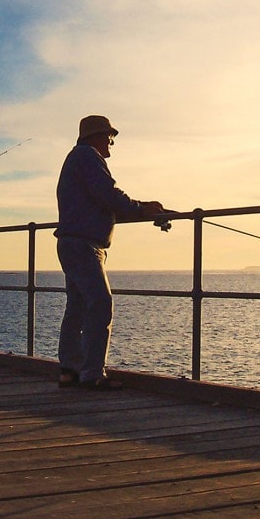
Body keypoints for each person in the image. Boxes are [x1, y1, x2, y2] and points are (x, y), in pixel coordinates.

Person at [55, 115, 168, 391]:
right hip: (84, 245)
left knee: (78, 307)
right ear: (96, 136)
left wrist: (138, 208)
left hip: (72, 242)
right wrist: (142, 208)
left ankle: (70, 369)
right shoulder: (88, 157)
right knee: (100, 303)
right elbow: (107, 194)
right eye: (109, 137)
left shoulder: (76, 158)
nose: (111, 143)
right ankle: (92, 373)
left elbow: (100, 198)